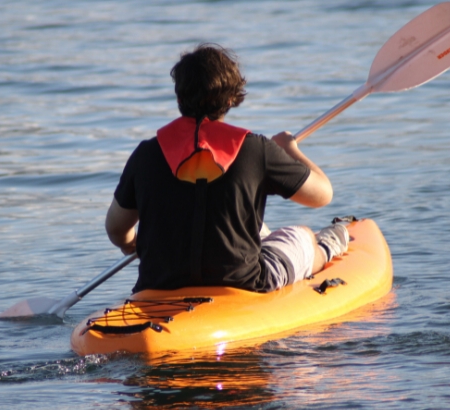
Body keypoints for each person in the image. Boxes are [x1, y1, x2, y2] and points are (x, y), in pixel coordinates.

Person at [105, 43, 348, 293]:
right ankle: (328, 246)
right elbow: (322, 195)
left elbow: (115, 229)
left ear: (179, 98)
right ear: (231, 99)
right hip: (244, 283)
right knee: (303, 235)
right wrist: (290, 149)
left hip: (158, 285)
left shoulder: (145, 154)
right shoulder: (257, 149)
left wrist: (131, 245)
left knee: (258, 230)